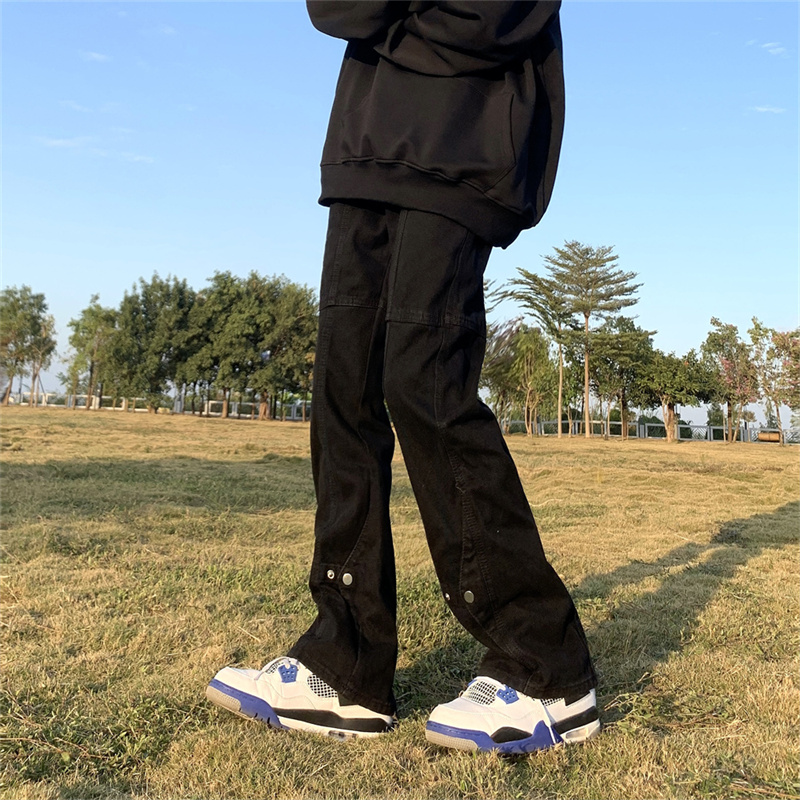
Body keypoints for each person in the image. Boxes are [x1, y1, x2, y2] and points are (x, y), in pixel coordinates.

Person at [207, 0, 599, 754]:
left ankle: (547, 665)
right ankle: (346, 663)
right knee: (343, 393)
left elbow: (490, 18)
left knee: (425, 386)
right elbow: (334, 6)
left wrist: (387, 19)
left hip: (464, 147)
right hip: (366, 148)